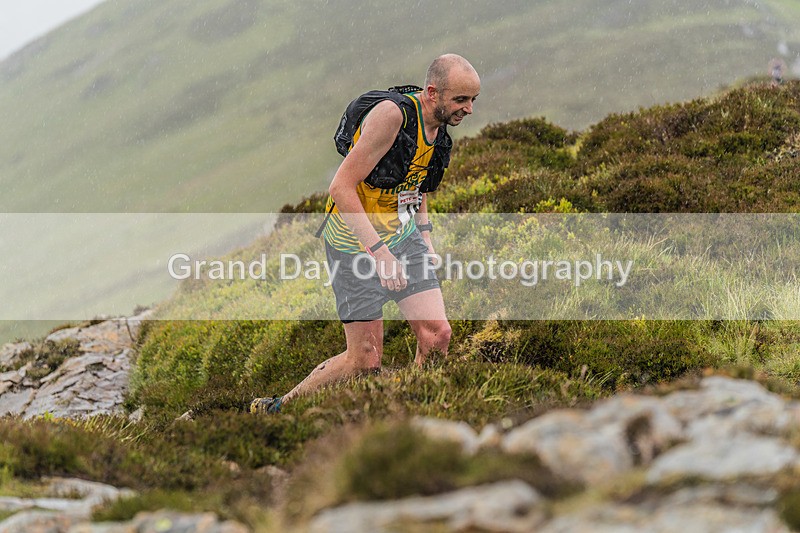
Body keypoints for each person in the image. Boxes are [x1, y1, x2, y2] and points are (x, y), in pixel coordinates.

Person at [251, 54, 481, 414]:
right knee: (364, 360)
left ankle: (415, 413)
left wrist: (426, 238)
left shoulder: (438, 127)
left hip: (401, 238)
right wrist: (380, 254)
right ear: (433, 92)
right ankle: (279, 408)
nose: (468, 110)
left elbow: (415, 186)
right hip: (353, 243)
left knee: (438, 336)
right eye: (461, 100)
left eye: (473, 101)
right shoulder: (392, 117)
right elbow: (341, 187)